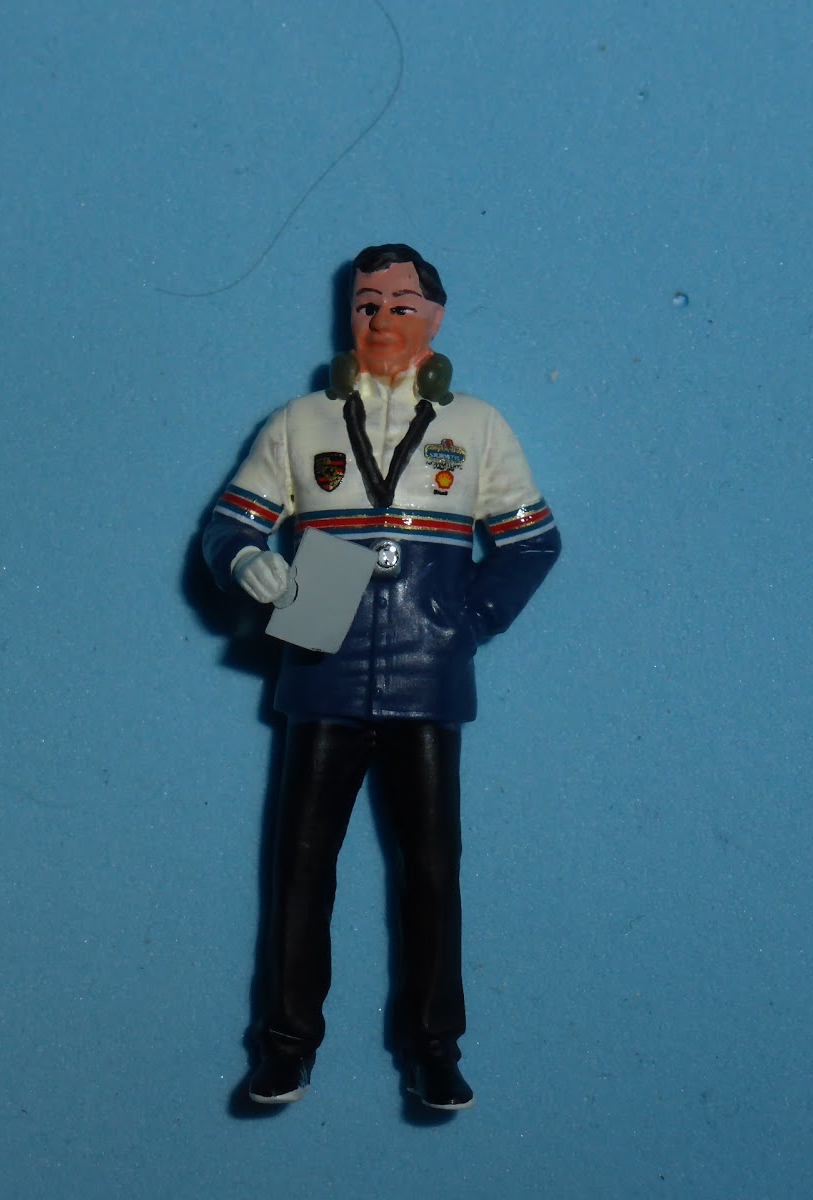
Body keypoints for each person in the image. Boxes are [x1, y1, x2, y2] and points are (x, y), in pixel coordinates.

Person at [202, 244, 560, 1110]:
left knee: (432, 869)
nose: (382, 320)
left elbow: (531, 543)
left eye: (401, 304)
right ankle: (286, 1044)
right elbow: (228, 526)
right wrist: (247, 561)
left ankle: (435, 1046)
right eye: (367, 304)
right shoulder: (301, 422)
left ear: (434, 317)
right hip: (321, 639)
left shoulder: (477, 425)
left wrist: (464, 623)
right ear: (348, 316)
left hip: (426, 666)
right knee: (300, 866)